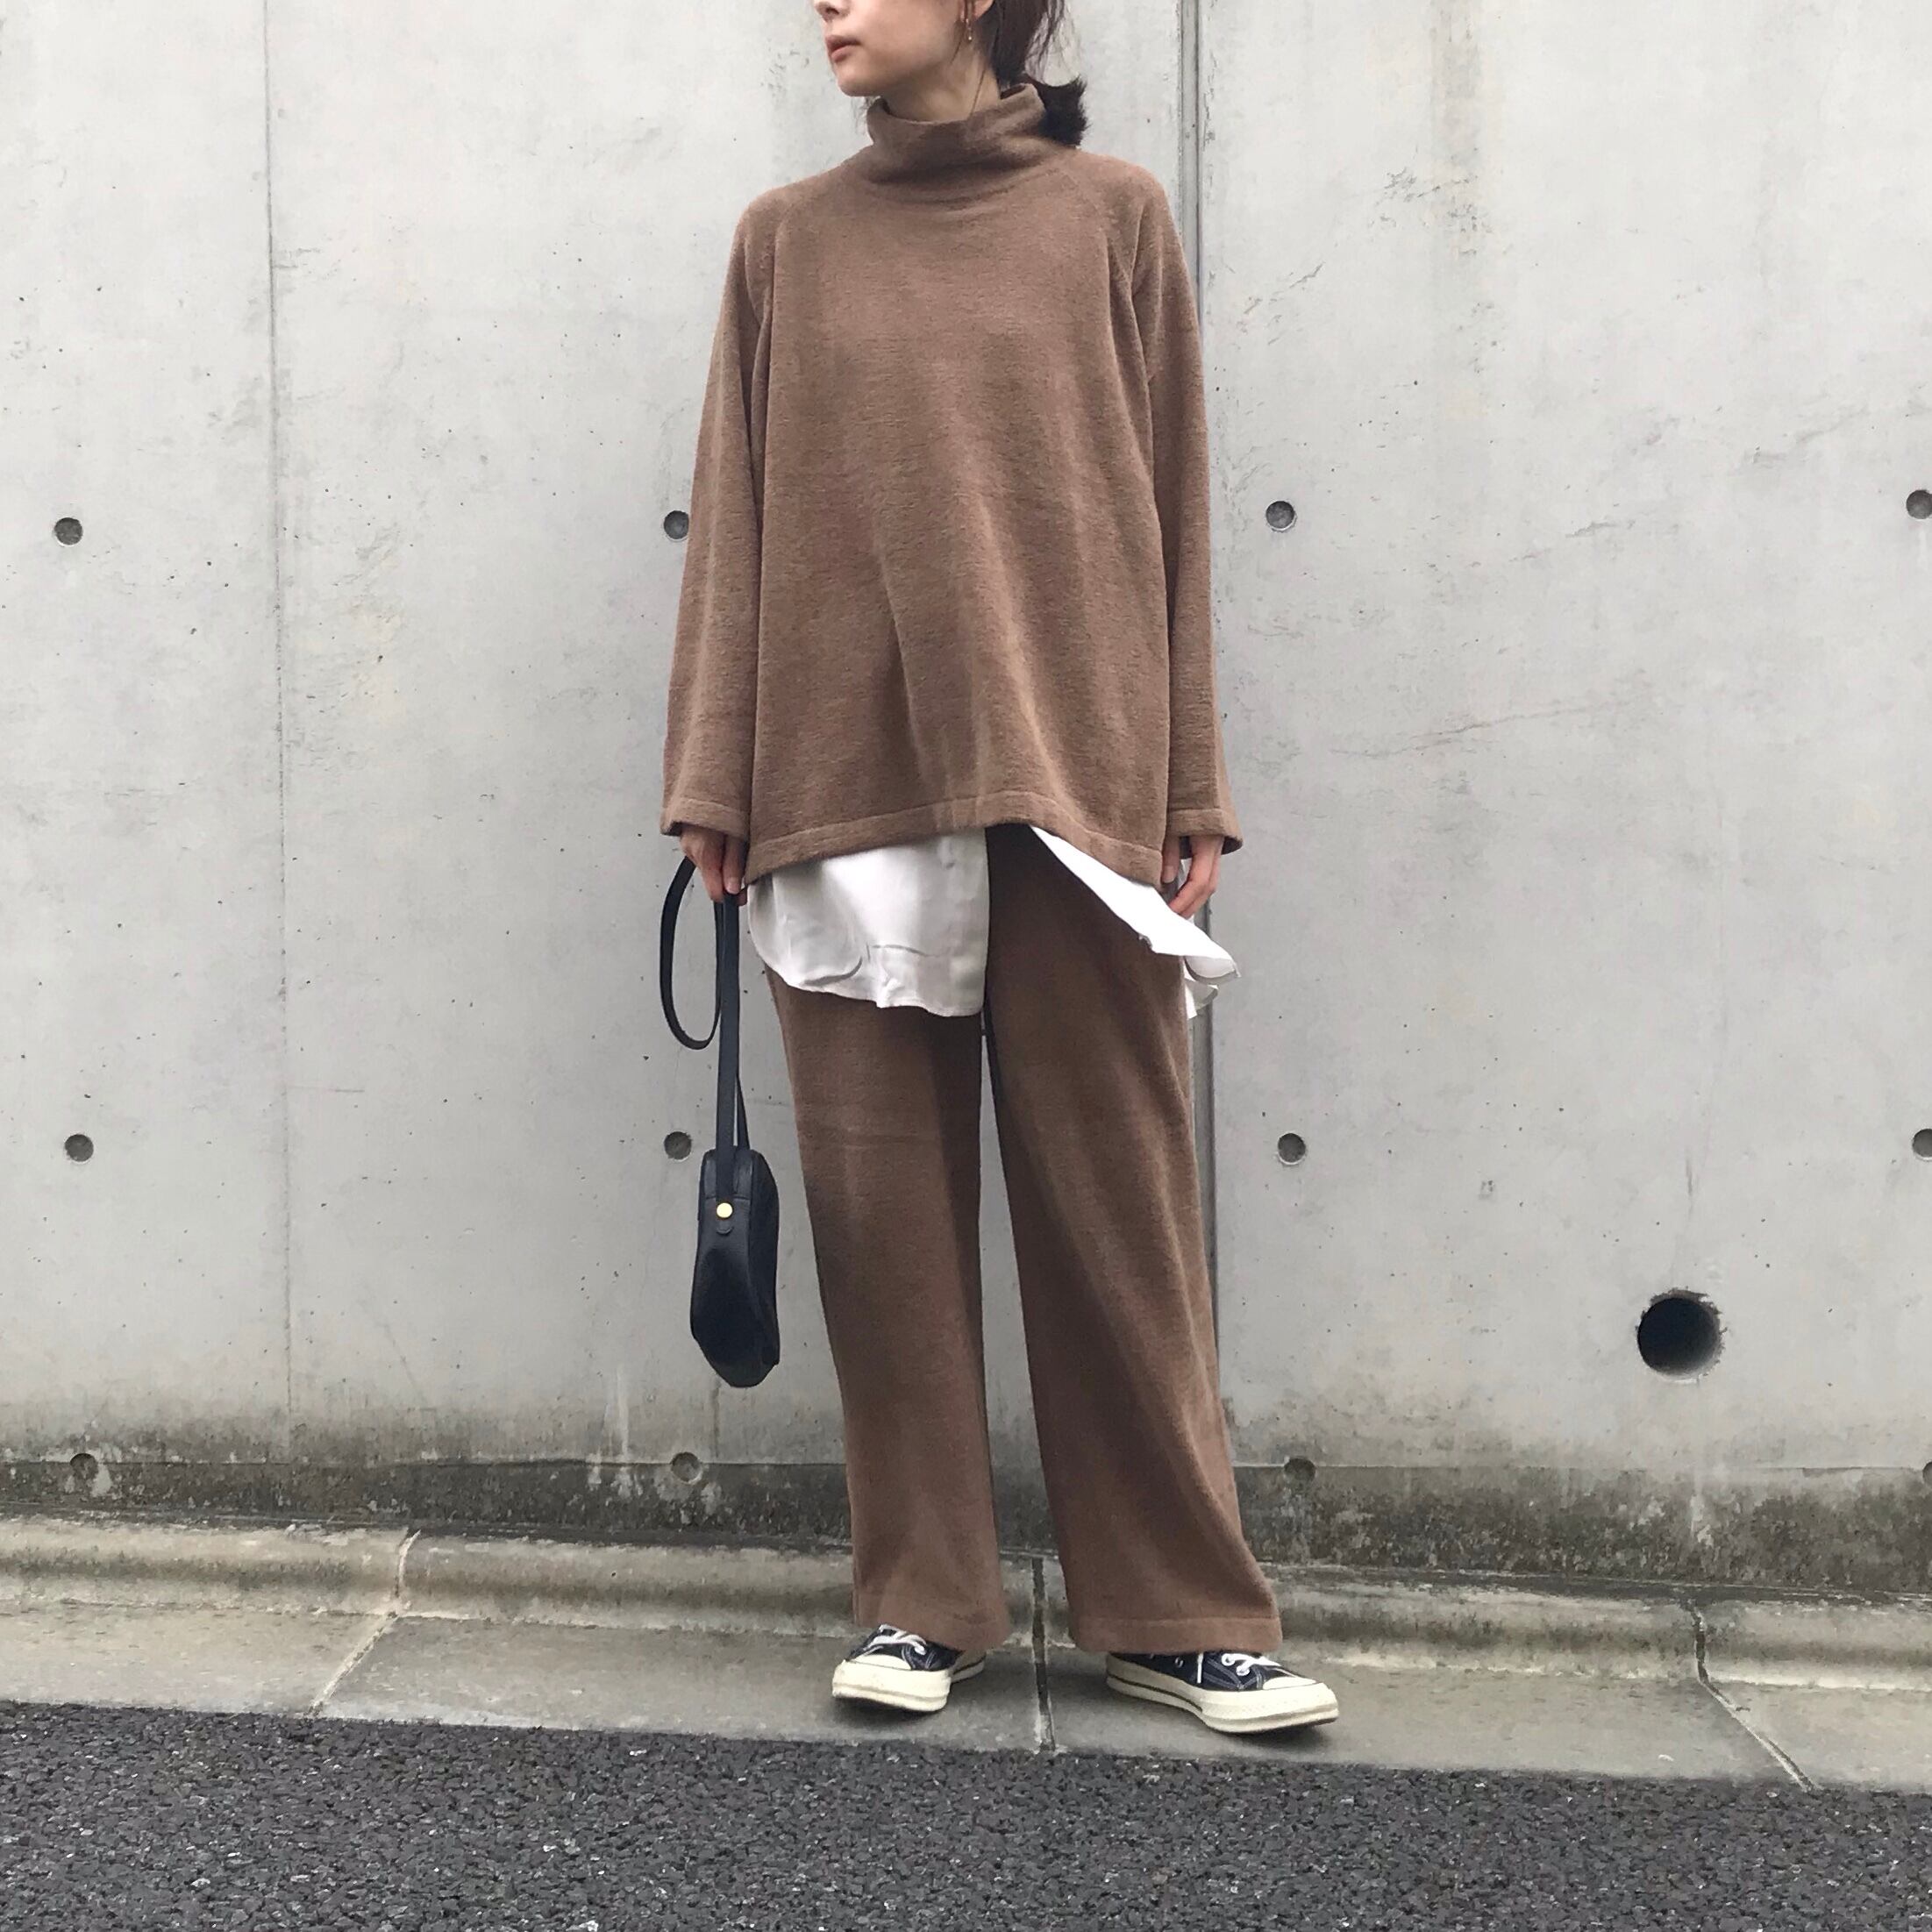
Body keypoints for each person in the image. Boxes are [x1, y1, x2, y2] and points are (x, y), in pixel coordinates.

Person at [659, 0, 1339, 1738]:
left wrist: (1190, 780)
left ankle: (1178, 1610)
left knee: (1121, 1217)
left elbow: (1172, 508)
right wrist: (713, 776)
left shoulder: (1113, 218)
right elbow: (735, 510)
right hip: (841, 778)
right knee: (880, 1223)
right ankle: (922, 1599)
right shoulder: (785, 242)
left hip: (1074, 777)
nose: (826, 5)